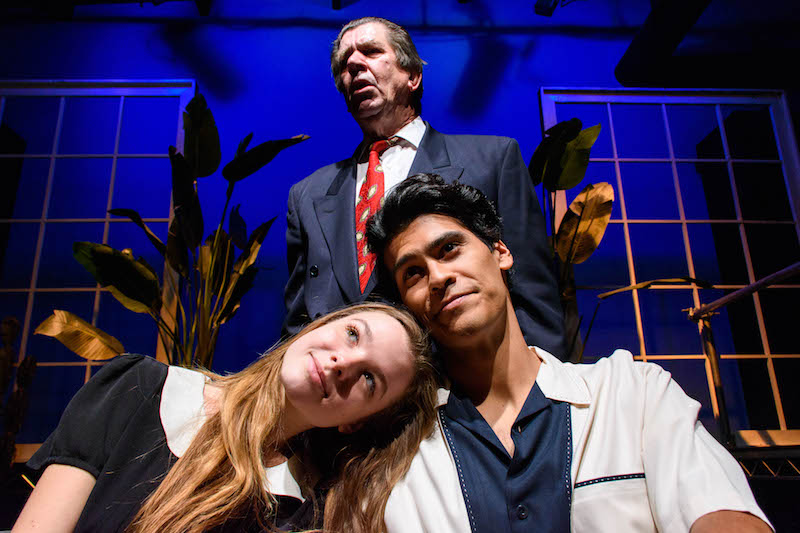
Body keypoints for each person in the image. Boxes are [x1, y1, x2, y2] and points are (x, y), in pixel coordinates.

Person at [365, 174, 773, 532]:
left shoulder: (632, 393)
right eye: (413, 273)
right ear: (408, 305)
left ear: (500, 252)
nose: (438, 277)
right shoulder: (403, 449)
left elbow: (723, 512)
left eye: (450, 248)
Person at [13, 302, 439, 533]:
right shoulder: (138, 386)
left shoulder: (298, 515)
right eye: (352, 333)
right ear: (321, 325)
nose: (342, 362)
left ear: (355, 422)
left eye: (369, 379)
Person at [283, 16, 565, 358]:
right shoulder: (308, 195)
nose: (354, 64)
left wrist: (540, 389)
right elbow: (298, 325)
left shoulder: (493, 159)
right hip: (347, 392)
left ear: (413, 76)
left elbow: (532, 291)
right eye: (345, 63)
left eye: (370, 51)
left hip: (465, 389)